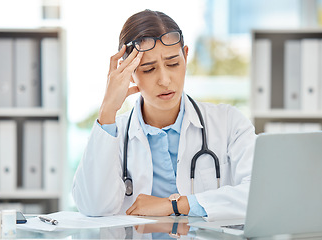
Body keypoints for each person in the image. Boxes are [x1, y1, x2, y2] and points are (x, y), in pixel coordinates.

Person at [72, 9, 256, 221]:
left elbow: (260, 194)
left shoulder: (229, 123)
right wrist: (107, 110)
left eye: (173, 64)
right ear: (128, 73)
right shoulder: (113, 133)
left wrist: (176, 205)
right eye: (149, 69)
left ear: (186, 56)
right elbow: (93, 206)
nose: (165, 80)